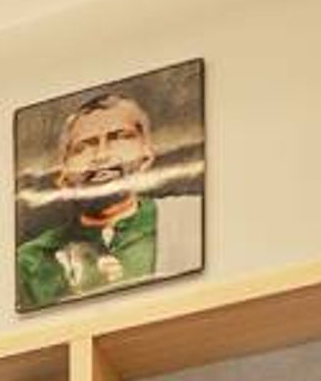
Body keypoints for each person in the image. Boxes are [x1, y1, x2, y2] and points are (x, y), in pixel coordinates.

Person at [15, 88, 204, 310]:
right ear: (63, 173)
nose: (102, 156)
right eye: (83, 147)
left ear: (146, 156)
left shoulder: (191, 219)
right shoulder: (32, 260)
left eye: (119, 138)